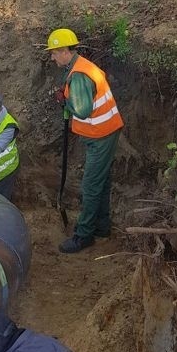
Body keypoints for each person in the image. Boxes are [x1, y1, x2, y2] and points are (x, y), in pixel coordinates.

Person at [46, 27, 124, 254]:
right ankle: (102, 227)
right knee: (102, 180)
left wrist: (65, 101)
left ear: (64, 51)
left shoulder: (79, 75)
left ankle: (84, 235)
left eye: (53, 52)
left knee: (90, 185)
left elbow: (81, 110)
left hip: (100, 136)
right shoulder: (81, 67)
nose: (52, 57)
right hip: (104, 132)